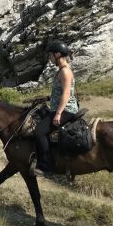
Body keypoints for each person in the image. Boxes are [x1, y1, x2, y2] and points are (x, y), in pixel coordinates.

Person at [32, 40, 79, 177]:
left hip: (66, 109)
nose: (50, 58)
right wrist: (47, 98)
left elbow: (66, 93)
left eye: (51, 55)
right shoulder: (63, 70)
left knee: (40, 131)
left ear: (57, 54)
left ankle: (46, 167)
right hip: (60, 106)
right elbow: (59, 92)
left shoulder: (65, 72)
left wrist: (58, 113)